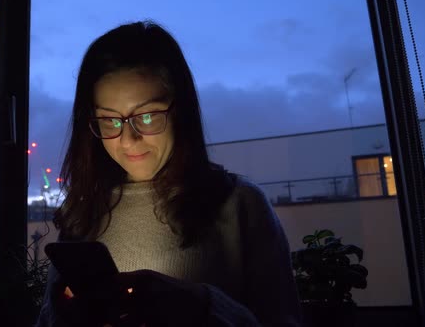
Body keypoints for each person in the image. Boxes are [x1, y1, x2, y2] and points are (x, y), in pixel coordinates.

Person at [36, 20, 302, 327]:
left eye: (147, 116)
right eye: (110, 121)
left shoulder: (239, 205)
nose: (128, 139)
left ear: (181, 111)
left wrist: (201, 305)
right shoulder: (83, 211)